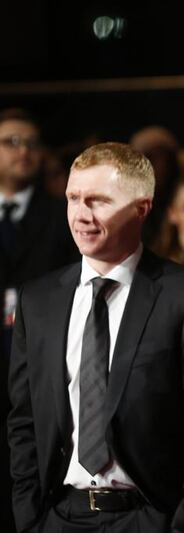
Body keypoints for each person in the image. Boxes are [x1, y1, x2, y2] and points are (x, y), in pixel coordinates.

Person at [7, 142, 184, 533]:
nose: (81, 214)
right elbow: (24, 419)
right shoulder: (39, 300)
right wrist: (30, 517)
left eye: (98, 201)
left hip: (149, 516)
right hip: (58, 516)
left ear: (142, 208)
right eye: (73, 198)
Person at [0, 108, 77, 531]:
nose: (23, 151)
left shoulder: (61, 215)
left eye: (31, 142)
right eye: (11, 142)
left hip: (39, 367)